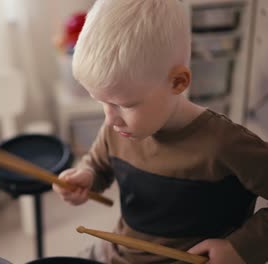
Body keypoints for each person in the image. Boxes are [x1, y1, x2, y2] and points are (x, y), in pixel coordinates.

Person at [52, 0, 268, 263]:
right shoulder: (117, 129)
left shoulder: (226, 144)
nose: (110, 119)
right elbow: (99, 164)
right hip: (122, 253)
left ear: (178, 82)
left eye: (124, 104)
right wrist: (87, 176)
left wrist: (240, 248)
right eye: (102, 102)